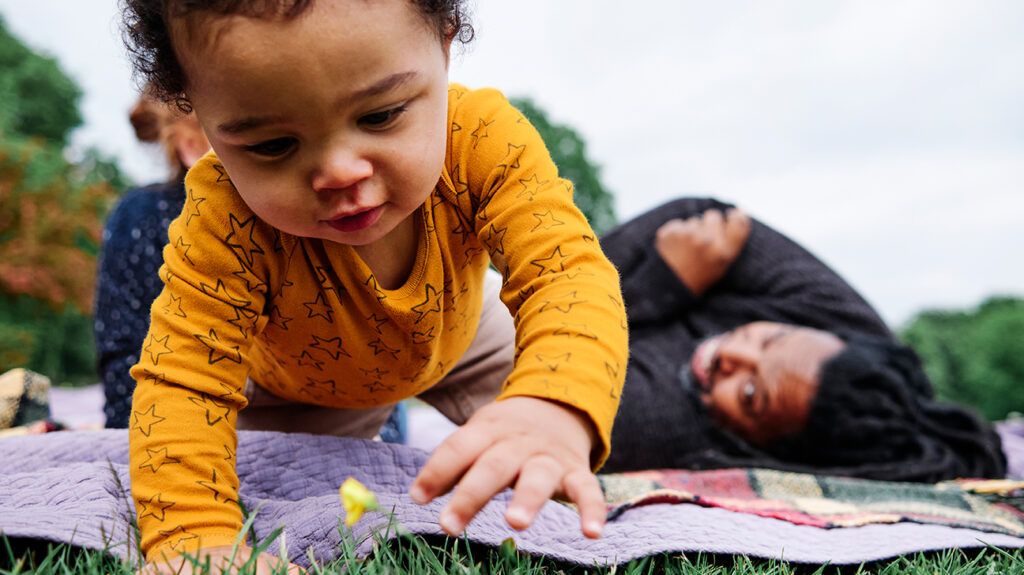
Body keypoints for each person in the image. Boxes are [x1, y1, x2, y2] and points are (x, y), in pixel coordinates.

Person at [120, 0, 628, 570]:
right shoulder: (222, 216)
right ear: (195, 110)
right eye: (272, 146)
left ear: (443, 42)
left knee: (561, 446)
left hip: (469, 331)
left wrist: (556, 403)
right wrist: (195, 536)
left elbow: (566, 274)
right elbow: (183, 381)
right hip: (307, 389)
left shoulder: (484, 138)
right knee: (265, 485)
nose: (340, 171)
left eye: (381, 115)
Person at [600, 197, 1005, 482]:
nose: (731, 352)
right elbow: (703, 219)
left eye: (749, 393)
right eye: (768, 339)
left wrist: (659, 285)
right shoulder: (842, 328)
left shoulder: (658, 426)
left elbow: (540, 355)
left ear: (771, 447)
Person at [94, 93, 409, 443]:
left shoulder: (320, 211)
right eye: (271, 145)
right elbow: (127, 359)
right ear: (189, 147)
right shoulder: (147, 216)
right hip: (205, 425)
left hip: (353, 410)